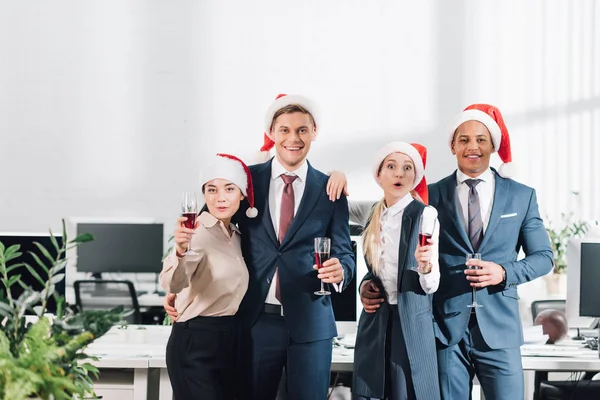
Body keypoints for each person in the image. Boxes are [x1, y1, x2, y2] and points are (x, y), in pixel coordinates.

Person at [165, 94, 356, 400]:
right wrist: (178, 288)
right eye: (284, 130)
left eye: (302, 130)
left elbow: (344, 251)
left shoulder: (330, 188)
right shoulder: (245, 180)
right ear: (271, 134)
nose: (293, 138)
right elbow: (206, 226)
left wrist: (342, 270)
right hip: (254, 321)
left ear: (314, 132)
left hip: (311, 324)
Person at [361, 103, 553, 400]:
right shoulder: (428, 196)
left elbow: (543, 258)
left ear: (493, 145)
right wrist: (367, 283)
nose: (472, 147)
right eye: (463, 140)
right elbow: (388, 241)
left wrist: (504, 272)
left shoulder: (521, 196)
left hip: (500, 333)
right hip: (445, 331)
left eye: (480, 139)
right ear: (452, 145)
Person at [159, 153, 257, 400]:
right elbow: (173, 283)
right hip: (196, 342)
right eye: (212, 190)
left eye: (229, 189)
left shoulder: (235, 235)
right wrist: (181, 251)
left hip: (230, 340)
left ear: (242, 195)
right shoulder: (196, 232)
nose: (220, 197)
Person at [349, 142, 441, 400]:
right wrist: (337, 177)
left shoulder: (425, 215)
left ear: (416, 176)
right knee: (369, 389)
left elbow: (431, 285)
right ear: (378, 175)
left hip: (409, 321)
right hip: (376, 318)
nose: (399, 174)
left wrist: (426, 266)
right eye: (391, 167)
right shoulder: (371, 212)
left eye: (407, 168)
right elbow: (332, 206)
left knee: (406, 391)